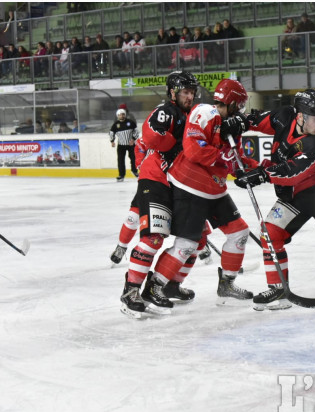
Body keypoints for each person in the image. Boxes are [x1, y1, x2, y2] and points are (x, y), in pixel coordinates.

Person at [235, 89, 315, 311]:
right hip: (298, 196)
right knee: (270, 233)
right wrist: (239, 122)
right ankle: (279, 290)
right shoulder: (285, 117)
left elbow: (295, 171)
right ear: (300, 116)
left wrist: (263, 174)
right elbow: (259, 120)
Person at [144, 78, 257, 311]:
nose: (241, 111)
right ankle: (155, 286)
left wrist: (258, 169)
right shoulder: (204, 112)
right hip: (189, 186)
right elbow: (194, 150)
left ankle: (227, 284)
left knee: (239, 232)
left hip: (215, 189)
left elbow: (233, 159)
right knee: (187, 243)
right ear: (233, 103)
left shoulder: (232, 125)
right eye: (240, 105)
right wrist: (224, 157)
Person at [118, 71, 202, 317]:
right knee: (154, 237)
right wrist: (174, 146)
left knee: (197, 239)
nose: (190, 96)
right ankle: (131, 290)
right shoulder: (168, 111)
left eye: (192, 92)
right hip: (156, 179)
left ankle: (171, 285)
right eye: (185, 92)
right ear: (173, 92)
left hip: (179, 184)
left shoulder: (193, 116)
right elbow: (151, 135)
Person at [109, 108, 139, 182]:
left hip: (131, 144)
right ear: (117, 116)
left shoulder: (130, 122)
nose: (121, 116)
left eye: (123, 114)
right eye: (120, 115)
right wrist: (112, 141)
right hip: (121, 145)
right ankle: (121, 175)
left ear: (125, 115)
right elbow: (111, 133)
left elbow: (136, 131)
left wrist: (133, 139)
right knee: (120, 160)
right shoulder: (115, 125)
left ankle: (134, 171)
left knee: (134, 158)